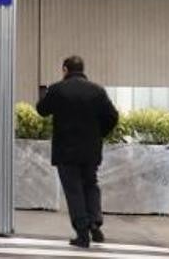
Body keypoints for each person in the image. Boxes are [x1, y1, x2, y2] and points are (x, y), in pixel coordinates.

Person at [37, 55, 120, 249]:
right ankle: (94, 224)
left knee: (73, 190)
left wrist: (45, 93)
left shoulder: (58, 89)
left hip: (66, 150)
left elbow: (42, 110)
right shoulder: (97, 91)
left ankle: (82, 233)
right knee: (90, 184)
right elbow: (112, 116)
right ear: (82, 69)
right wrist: (100, 134)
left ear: (65, 69)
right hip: (91, 150)